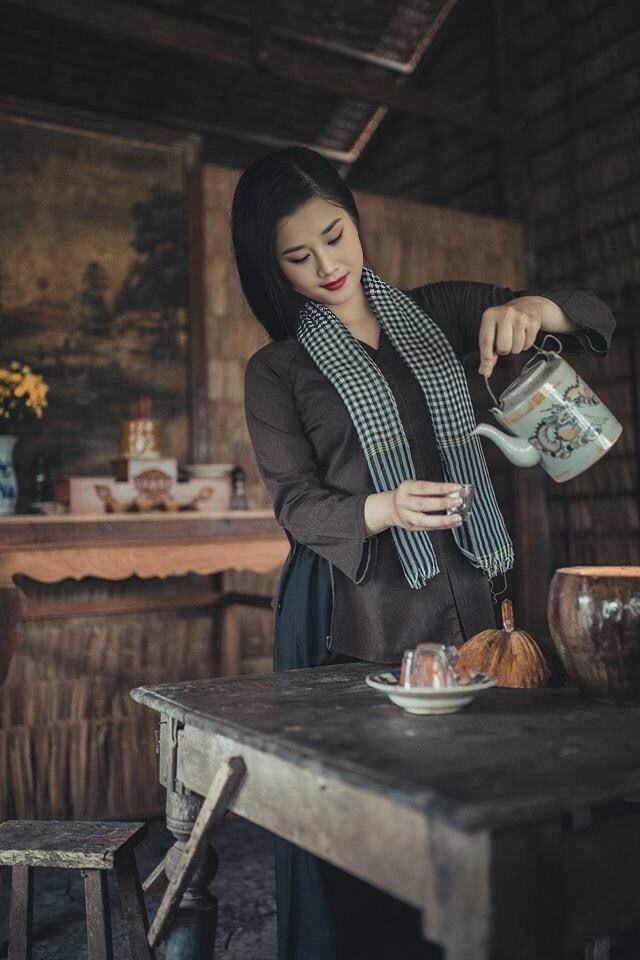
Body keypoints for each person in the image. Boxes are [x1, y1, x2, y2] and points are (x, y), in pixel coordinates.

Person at [232, 147, 615, 960]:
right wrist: (384, 507)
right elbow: (295, 503)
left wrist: (535, 309)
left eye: (335, 236)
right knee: (361, 836)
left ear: (355, 220)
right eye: (298, 256)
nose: (327, 265)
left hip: (472, 597)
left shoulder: (440, 311)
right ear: (271, 268)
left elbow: (590, 311)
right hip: (355, 611)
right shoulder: (277, 370)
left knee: (484, 810)